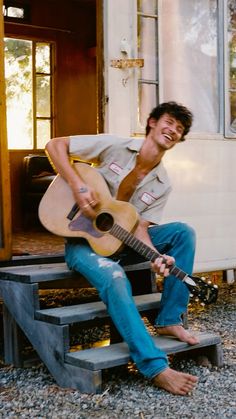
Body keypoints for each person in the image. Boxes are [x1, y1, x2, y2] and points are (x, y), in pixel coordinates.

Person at [46, 101, 199, 395]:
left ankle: (168, 319)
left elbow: (139, 227)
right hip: (82, 241)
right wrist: (78, 185)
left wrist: (156, 257)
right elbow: (55, 144)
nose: (173, 130)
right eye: (169, 122)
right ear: (152, 122)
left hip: (120, 241)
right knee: (115, 277)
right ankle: (155, 366)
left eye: (179, 130)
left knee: (183, 233)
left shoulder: (162, 183)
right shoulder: (115, 146)